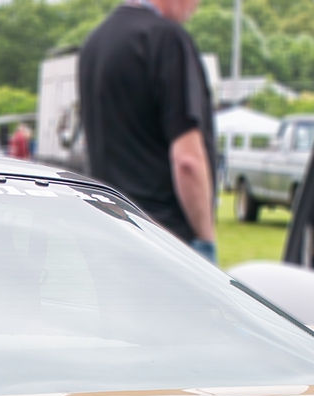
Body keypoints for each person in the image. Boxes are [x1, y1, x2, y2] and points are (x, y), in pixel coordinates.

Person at [77, 0, 217, 263]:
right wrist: (206, 241)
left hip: (108, 233)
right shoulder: (167, 39)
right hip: (164, 239)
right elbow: (187, 160)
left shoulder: (94, 43)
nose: (196, 7)